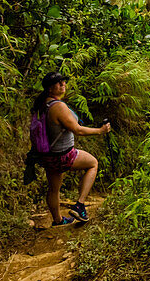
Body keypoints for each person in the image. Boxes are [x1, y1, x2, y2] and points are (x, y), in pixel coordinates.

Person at [31, 71, 112, 227]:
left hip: (47, 156)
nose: (63, 84)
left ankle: (58, 221)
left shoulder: (42, 105)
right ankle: (79, 205)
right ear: (49, 88)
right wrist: (100, 131)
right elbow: (78, 130)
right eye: (58, 83)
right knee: (93, 163)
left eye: (63, 81)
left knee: (54, 188)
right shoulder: (58, 107)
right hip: (63, 155)